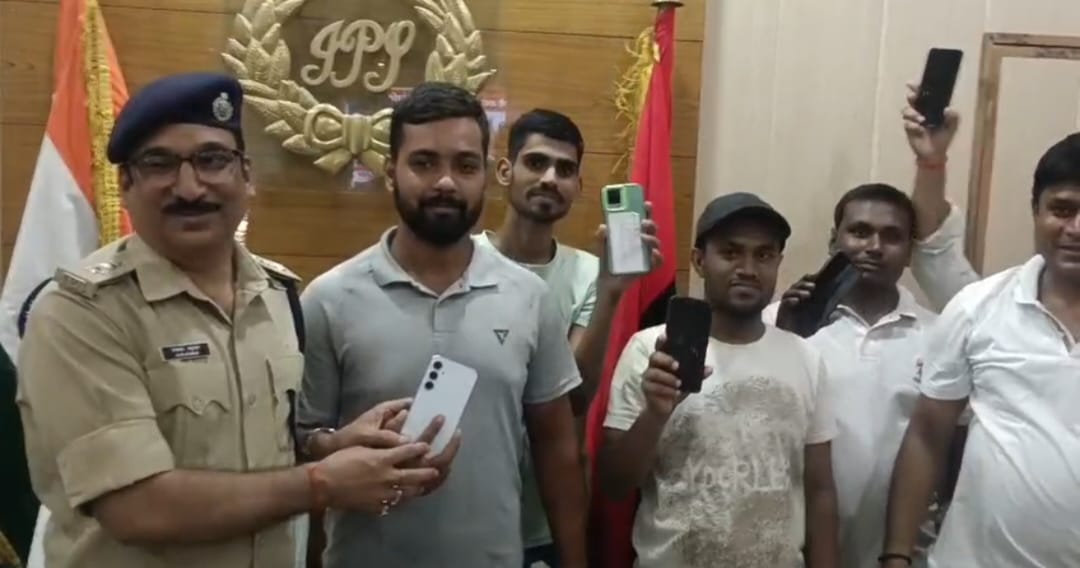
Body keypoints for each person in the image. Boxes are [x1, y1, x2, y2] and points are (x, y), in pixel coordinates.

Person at [15, 72, 439, 568]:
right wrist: (323, 484)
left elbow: (263, 453)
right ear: (126, 183)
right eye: (159, 164)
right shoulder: (80, 313)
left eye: (212, 159)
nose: (189, 187)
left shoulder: (278, 295)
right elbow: (138, 508)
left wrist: (331, 446)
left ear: (246, 175)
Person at [297, 83, 588, 568]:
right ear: (390, 172)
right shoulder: (328, 299)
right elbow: (304, 452)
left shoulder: (529, 298)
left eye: (465, 165)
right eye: (424, 163)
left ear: (486, 176)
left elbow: (557, 449)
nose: (446, 182)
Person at [598, 192, 840, 567]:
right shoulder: (648, 350)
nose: (748, 268)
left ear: (778, 262)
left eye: (764, 255)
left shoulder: (807, 359)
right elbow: (614, 485)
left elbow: (820, 490)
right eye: (730, 252)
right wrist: (655, 415)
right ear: (699, 260)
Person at [881, 132, 1080, 567]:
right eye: (1062, 210)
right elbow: (927, 436)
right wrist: (896, 555)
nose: (1076, 229)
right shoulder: (978, 307)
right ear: (1036, 211)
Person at [474, 108, 661, 567]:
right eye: (536, 163)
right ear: (505, 171)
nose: (550, 178)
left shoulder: (589, 273)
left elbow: (573, 396)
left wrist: (611, 292)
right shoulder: (464, 261)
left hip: (547, 515)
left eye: (564, 169)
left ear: (578, 186)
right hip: (464, 508)